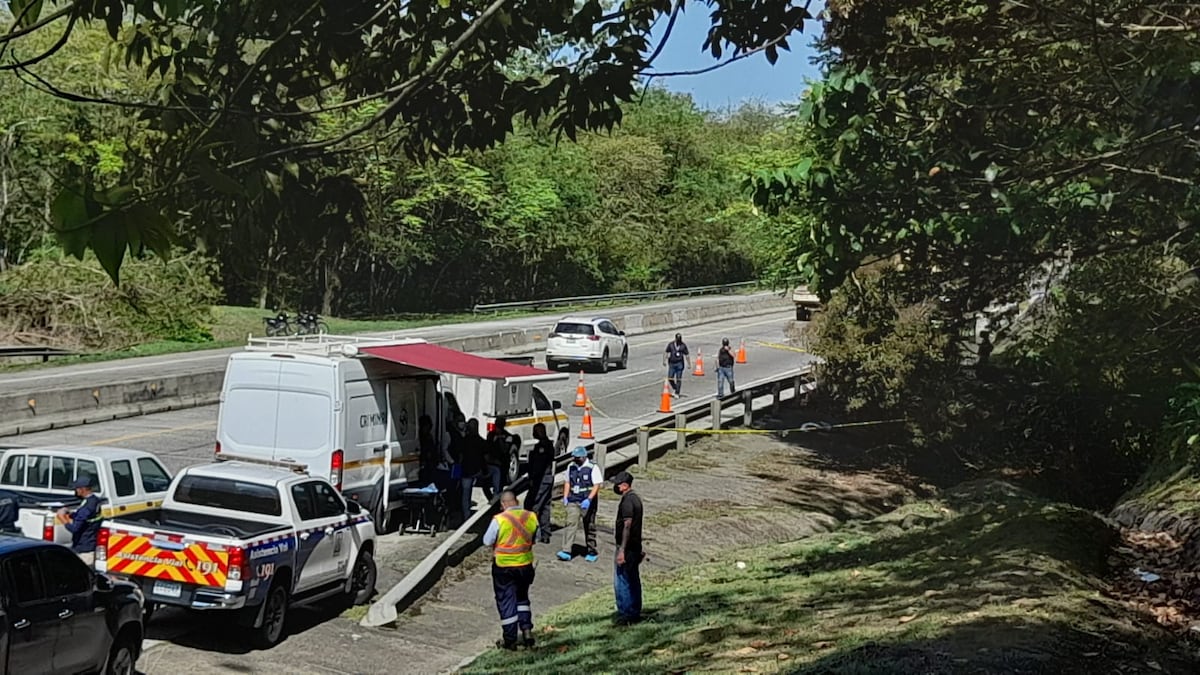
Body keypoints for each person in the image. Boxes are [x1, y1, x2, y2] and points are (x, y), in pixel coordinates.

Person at [482, 490, 538, 650]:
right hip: (525, 565)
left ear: (503, 505)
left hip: (504, 567)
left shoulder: (500, 519)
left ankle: (510, 639)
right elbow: (536, 537)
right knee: (522, 598)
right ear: (516, 502)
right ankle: (527, 631)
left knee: (506, 602)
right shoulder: (531, 516)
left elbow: (487, 541)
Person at [556, 446, 602, 562]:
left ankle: (591, 550)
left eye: (577, 458)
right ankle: (566, 550)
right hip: (573, 499)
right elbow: (567, 482)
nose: (575, 459)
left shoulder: (592, 467)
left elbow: (596, 485)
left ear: (584, 457)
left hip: (587, 500)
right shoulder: (571, 467)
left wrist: (589, 499)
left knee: (589, 525)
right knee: (570, 523)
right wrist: (565, 496)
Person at [611, 470, 645, 625]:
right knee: (633, 579)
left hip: (627, 548)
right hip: (635, 546)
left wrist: (622, 550)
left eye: (617, 485)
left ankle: (626, 613)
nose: (616, 488)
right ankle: (635, 610)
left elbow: (627, 525)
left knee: (622, 579)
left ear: (624, 486)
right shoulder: (636, 499)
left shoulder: (627, 502)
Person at [56, 476, 103, 565]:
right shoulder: (94, 500)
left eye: (77, 489)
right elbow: (85, 517)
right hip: (90, 544)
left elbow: (75, 528)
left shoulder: (87, 507)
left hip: (84, 549)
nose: (76, 491)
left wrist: (61, 518)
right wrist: (70, 514)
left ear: (82, 489)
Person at [523, 423, 556, 544]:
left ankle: (530, 535)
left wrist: (532, 479)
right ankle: (545, 533)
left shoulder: (542, 447)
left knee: (533, 506)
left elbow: (538, 466)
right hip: (547, 479)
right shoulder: (549, 445)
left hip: (541, 480)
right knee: (545, 506)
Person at [459, 418, 489, 517]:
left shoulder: (463, 441)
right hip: (477, 470)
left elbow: (460, 456)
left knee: (465, 494)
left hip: (466, 471)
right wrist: (485, 470)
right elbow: (485, 457)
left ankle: (466, 515)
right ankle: (493, 502)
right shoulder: (480, 441)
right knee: (487, 483)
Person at [484, 416, 515, 497]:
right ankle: (492, 500)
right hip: (491, 463)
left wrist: (500, 439)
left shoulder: (508, 436)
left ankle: (496, 501)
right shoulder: (491, 435)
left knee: (499, 485)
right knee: (486, 485)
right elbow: (487, 446)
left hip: (502, 464)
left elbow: (505, 450)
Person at [663, 333, 690, 398]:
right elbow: (666, 352)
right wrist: (664, 360)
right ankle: (675, 388)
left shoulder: (683, 345)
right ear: (675, 339)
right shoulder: (671, 345)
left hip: (680, 364)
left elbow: (687, 355)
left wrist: (689, 364)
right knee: (670, 377)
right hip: (672, 363)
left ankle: (677, 392)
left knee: (678, 379)